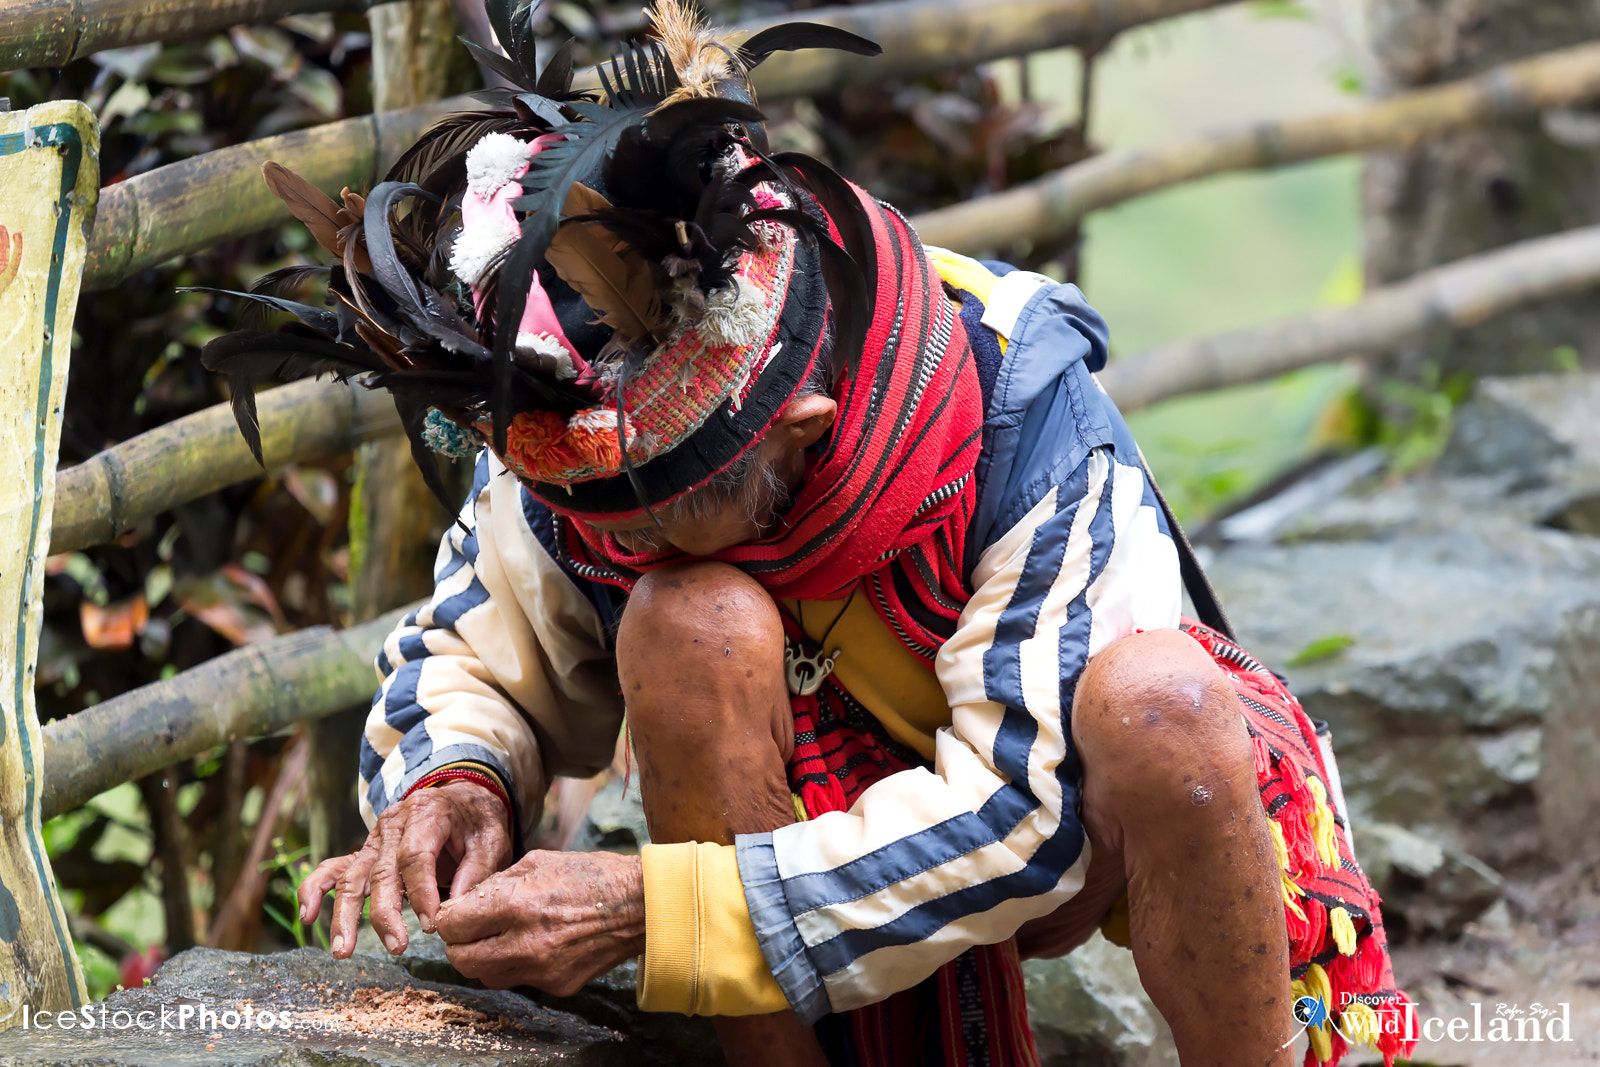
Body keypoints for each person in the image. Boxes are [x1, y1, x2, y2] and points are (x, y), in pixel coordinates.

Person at [203, 3, 1418, 1064]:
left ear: (801, 426)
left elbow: (1021, 819)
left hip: (1058, 810)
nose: (648, 541)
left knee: (1162, 703)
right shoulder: (588, 421)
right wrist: (451, 780)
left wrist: (648, 909)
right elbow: (471, 639)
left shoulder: (1014, 406)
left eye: (688, 507)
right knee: (688, 617)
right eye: (623, 523)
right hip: (806, 830)